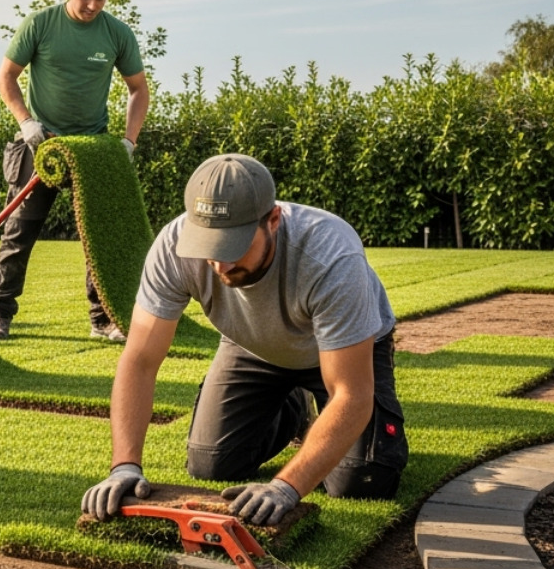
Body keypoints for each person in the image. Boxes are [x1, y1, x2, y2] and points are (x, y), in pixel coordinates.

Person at [81, 154, 409, 526]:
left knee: (361, 479)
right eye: (209, 245)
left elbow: (352, 394)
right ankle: (295, 407)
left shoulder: (330, 255)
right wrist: (124, 466)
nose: (220, 265)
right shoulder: (174, 246)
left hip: (337, 351)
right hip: (251, 345)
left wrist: (286, 486)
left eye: (233, 245)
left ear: (273, 220)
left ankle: (326, 414)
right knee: (212, 464)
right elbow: (140, 360)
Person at [0, 0, 150, 343]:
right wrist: (26, 122)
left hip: (91, 148)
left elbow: (139, 89)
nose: (92, 6)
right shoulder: (40, 24)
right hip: (41, 144)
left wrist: (129, 140)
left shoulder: (117, 34)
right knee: (18, 232)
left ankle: (103, 318)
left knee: (99, 238)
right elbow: (6, 76)